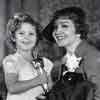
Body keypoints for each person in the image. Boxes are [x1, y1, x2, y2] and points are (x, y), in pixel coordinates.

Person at [42, 6, 100, 100]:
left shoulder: (93, 56)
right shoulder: (63, 61)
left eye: (64, 26)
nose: (57, 31)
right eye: (55, 27)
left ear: (79, 30)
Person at [2, 12, 53, 100]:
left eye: (31, 34)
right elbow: (12, 87)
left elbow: (50, 88)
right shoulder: (11, 61)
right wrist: (37, 80)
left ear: (37, 37)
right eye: (21, 33)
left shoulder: (45, 62)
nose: (26, 37)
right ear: (13, 37)